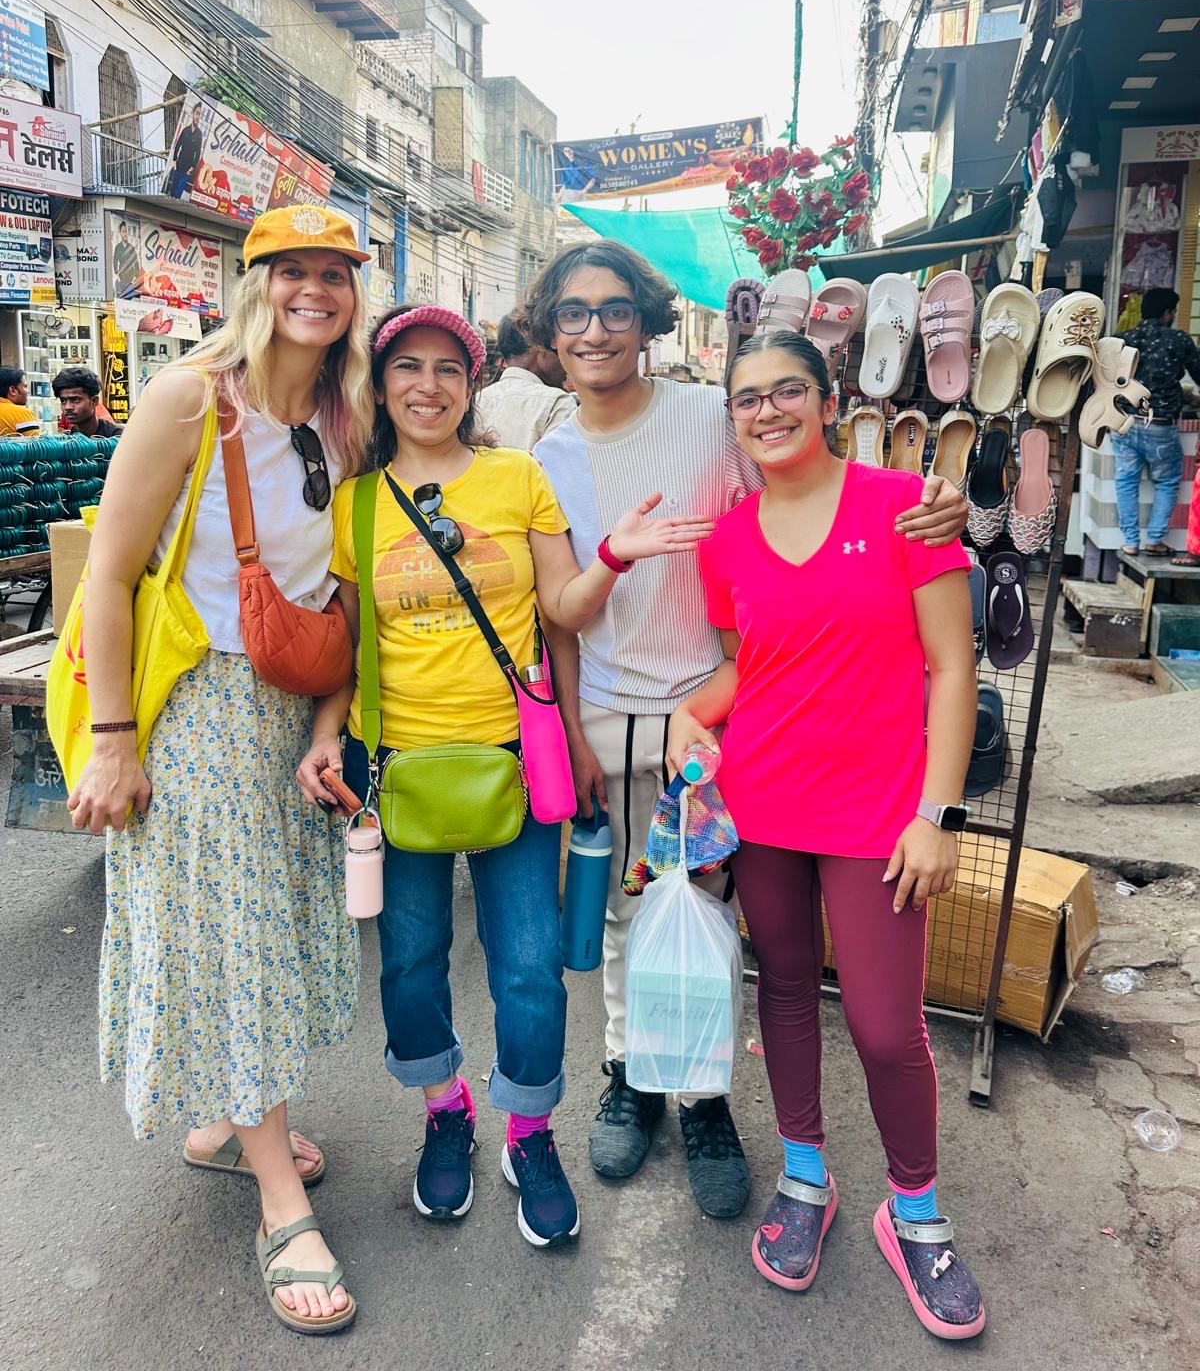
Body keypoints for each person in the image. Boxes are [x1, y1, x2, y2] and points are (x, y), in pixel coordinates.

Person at [525, 240, 969, 1221]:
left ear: (647, 321)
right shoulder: (547, 455)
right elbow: (558, 608)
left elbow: (800, 487)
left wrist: (937, 500)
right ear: (549, 334)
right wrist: (574, 733)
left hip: (717, 719)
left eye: (613, 310)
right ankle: (632, 1078)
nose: (594, 330)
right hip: (610, 712)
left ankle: (705, 1097)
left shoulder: (708, 416)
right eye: (572, 313)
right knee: (626, 913)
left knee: (709, 919)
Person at [297, 302, 707, 1249]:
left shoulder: (516, 478)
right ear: (382, 384)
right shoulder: (355, 505)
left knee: (528, 968)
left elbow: (561, 610)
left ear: (471, 383)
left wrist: (612, 557)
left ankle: (529, 1130)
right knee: (408, 963)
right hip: (393, 767)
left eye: (448, 368)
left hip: (514, 767)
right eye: (409, 368)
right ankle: (445, 1110)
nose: (428, 386)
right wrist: (328, 734)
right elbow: (349, 649)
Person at [66, 206, 376, 1336]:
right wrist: (114, 739)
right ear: (254, 286)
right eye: (290, 271)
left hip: (287, 711)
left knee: (258, 926)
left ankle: (226, 1120)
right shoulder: (191, 398)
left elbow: (341, 591)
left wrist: (327, 720)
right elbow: (106, 576)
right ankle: (278, 1203)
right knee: (232, 938)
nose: (314, 291)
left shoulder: (344, 418)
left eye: (332, 274)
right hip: (196, 710)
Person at [669, 331, 984, 1338]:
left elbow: (951, 667)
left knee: (889, 1027)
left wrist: (937, 814)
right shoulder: (728, 538)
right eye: (748, 396)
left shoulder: (903, 506)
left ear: (828, 395)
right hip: (763, 806)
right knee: (789, 993)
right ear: (733, 413)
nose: (768, 410)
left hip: (880, 816)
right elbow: (751, 665)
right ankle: (805, 1177)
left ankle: (916, 1210)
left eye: (787, 390)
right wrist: (693, 712)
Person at [1116, 287, 1200, 556]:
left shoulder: (1123, 339)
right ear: (1167, 313)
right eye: (1173, 311)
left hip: (1126, 422)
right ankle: (1154, 540)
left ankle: (1130, 542)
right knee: (1166, 481)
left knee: (1126, 481)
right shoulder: (1178, 340)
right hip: (1161, 426)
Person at [475, 311, 576, 449]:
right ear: (539, 346)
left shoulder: (475, 401)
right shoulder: (557, 403)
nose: (565, 361)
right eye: (557, 349)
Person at [51, 365, 122, 437]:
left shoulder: (119, 438)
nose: (67, 407)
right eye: (63, 401)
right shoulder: (66, 441)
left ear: (94, 401)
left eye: (76, 400)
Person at [168, 101, 205, 200]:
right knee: (172, 192)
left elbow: (197, 154)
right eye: (197, 113)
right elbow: (177, 146)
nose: (198, 116)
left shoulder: (199, 135)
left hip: (187, 170)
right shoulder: (185, 130)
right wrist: (175, 163)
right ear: (193, 114)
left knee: (178, 194)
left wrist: (192, 168)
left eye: (200, 114)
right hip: (178, 166)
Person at [0, 366, 40, 436]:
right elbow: (36, 446)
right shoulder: (22, 413)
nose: (28, 391)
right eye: (25, 386)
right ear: (12, 390)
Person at [111, 219, 141, 297]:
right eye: (123, 231)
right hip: (121, 278)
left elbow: (136, 263)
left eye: (126, 231)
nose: (125, 233)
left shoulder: (131, 248)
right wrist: (117, 274)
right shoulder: (118, 247)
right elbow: (115, 261)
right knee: (119, 299)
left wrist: (135, 276)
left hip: (131, 280)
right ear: (120, 233)